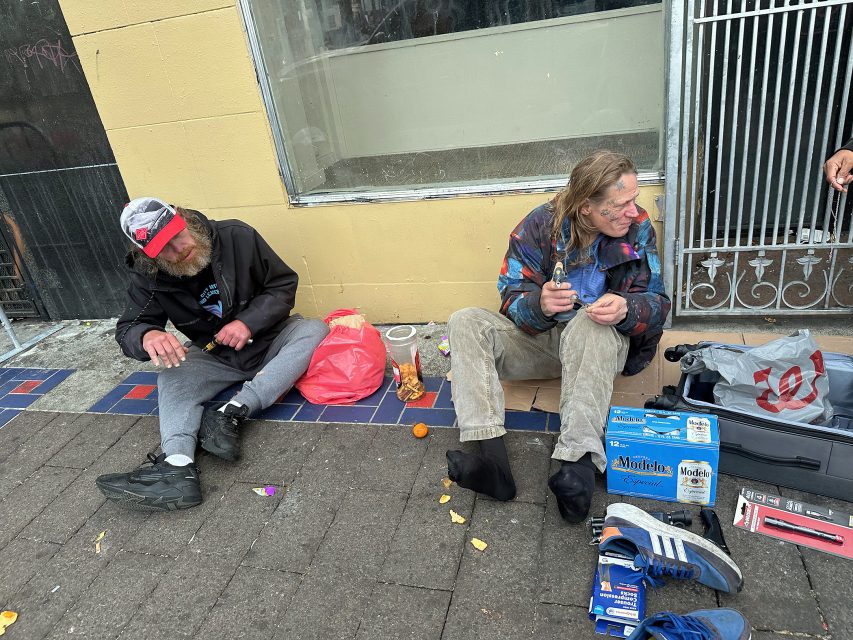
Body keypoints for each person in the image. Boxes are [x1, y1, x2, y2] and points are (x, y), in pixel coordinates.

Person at [446, 151, 670, 523]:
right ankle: (491, 461)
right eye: (622, 204)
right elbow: (511, 295)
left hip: (599, 345)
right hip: (546, 342)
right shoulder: (538, 225)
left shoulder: (638, 227)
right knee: (465, 321)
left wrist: (627, 309)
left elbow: (659, 303)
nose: (634, 210)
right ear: (586, 207)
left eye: (635, 199)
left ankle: (577, 467)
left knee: (589, 322)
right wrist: (539, 302)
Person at [96, 197, 328, 511]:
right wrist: (146, 334)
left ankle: (231, 412)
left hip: (271, 338)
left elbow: (282, 285)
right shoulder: (149, 276)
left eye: (177, 237)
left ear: (183, 219)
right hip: (215, 353)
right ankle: (177, 468)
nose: (178, 250)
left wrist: (247, 323)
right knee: (172, 373)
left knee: (314, 330)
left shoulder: (236, 236)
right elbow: (128, 329)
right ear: (147, 255)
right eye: (164, 249)